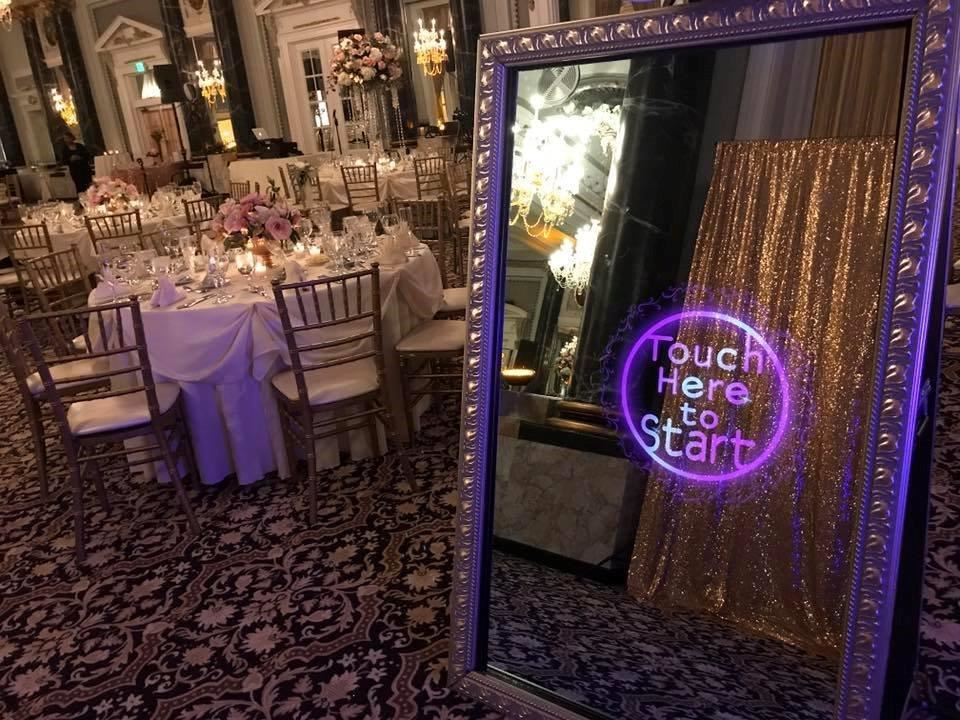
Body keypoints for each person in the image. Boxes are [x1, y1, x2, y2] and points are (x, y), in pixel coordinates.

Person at [59, 131, 93, 195]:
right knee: (79, 186)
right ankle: (81, 199)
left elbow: (88, 155)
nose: (66, 140)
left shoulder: (80, 146)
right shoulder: (65, 149)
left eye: (67, 138)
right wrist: (70, 159)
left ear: (72, 137)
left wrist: (80, 157)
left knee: (89, 186)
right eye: (65, 138)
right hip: (75, 171)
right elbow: (64, 161)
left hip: (85, 169)